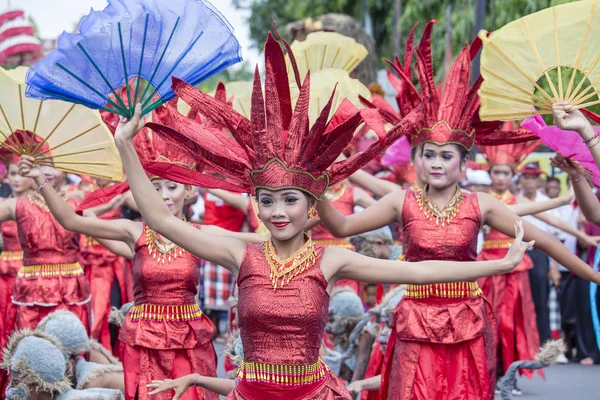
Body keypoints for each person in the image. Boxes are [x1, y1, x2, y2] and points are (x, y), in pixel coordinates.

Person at [113, 31, 532, 400]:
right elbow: (163, 221)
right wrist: (125, 146)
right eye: (268, 201)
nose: (278, 212)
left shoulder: (331, 260)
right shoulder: (241, 255)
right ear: (256, 203)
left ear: (312, 206)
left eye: (290, 200)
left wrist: (500, 264)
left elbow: (418, 273)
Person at [315, 26, 600, 400]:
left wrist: (595, 277)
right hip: (415, 316)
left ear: (463, 163)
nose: (436, 163)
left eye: (446, 156)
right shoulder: (400, 201)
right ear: (418, 159)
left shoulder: (480, 205)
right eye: (428, 155)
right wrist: (318, 188)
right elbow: (341, 225)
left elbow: (545, 241)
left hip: (467, 318)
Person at [18, 124, 261, 400]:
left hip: (189, 339)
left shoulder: (201, 235)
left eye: (172, 187)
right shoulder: (134, 232)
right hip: (142, 339)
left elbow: (259, 240)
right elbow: (71, 221)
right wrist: (40, 179)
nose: (164, 195)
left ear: (189, 191)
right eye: (155, 188)